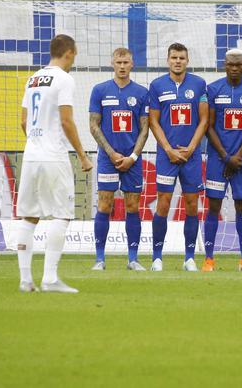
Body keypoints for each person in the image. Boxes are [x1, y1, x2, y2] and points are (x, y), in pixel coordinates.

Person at [14, 34, 93, 293]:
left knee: (29, 216)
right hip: (53, 156)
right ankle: (49, 278)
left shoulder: (33, 78)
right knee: (62, 214)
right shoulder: (64, 79)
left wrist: (36, 143)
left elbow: (24, 122)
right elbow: (67, 121)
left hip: (31, 155)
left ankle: (26, 280)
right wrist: (81, 155)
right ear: (69, 53)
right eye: (74, 56)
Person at [148, 42, 208, 271]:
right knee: (162, 204)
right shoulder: (157, 86)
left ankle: (190, 258)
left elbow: (204, 119)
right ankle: (156, 258)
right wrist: (168, 149)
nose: (178, 61)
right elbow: (153, 120)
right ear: (167, 60)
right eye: (174, 57)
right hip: (166, 156)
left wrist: (192, 147)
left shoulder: (199, 84)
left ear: (187, 60)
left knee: (192, 205)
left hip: (191, 156)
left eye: (182, 58)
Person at [89, 48, 149, 271]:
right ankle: (99, 259)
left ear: (132, 64)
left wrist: (132, 156)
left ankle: (133, 259)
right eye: (118, 62)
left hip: (132, 160)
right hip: (107, 158)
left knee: (133, 206)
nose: (122, 66)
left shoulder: (142, 93)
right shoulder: (100, 90)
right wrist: (111, 152)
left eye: (126, 62)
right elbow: (93, 125)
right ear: (112, 63)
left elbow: (145, 129)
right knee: (105, 204)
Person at [203, 49, 242, 272]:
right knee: (214, 206)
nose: (234, 68)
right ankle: (209, 259)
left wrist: (237, 156)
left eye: (238, 65)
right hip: (219, 159)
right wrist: (226, 157)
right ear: (224, 65)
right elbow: (208, 125)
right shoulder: (213, 89)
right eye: (230, 65)